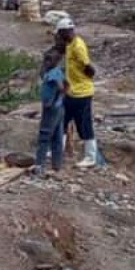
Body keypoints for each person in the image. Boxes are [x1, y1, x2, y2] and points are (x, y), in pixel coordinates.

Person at [57, 18, 99, 168]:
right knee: (62, 120)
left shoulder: (78, 47)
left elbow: (89, 68)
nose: (60, 37)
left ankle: (90, 157)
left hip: (82, 93)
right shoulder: (70, 44)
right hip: (71, 92)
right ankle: (57, 150)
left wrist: (82, 77)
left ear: (65, 32)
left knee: (84, 125)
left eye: (61, 33)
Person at [35, 43, 67, 175]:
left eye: (49, 60)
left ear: (57, 60)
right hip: (59, 108)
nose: (46, 62)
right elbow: (42, 74)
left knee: (44, 135)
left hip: (51, 108)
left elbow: (61, 87)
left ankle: (39, 165)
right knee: (57, 136)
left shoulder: (54, 73)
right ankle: (57, 164)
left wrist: (52, 100)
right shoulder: (55, 71)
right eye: (46, 59)